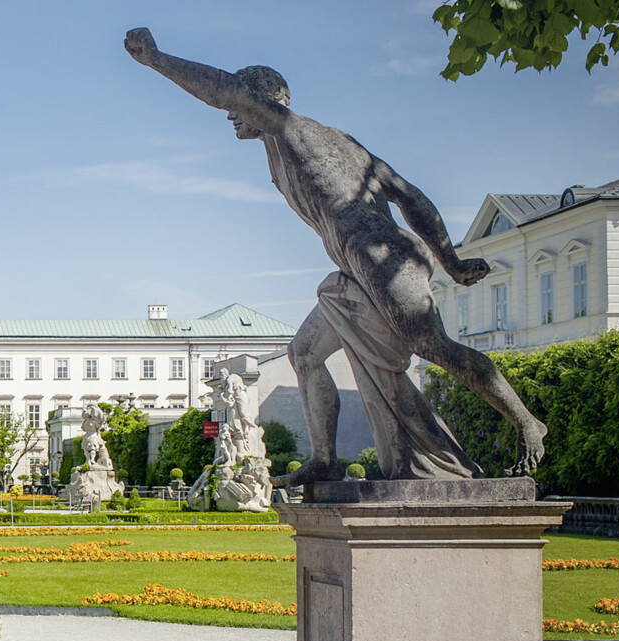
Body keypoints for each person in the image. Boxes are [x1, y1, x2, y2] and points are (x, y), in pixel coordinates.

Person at [124, 27, 547, 483]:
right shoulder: (323, 143)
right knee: (303, 353)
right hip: (355, 265)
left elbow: (409, 196)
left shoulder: (293, 130)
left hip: (383, 257)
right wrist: (451, 261)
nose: (230, 115)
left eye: (239, 105)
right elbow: (411, 197)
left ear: (272, 100)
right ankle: (324, 461)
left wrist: (157, 59)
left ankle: (527, 422)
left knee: (432, 347)